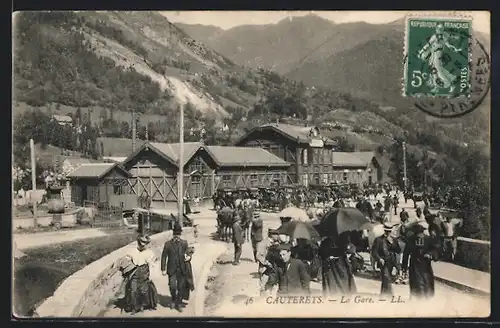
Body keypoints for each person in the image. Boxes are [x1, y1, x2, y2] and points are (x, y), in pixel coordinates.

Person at [120, 235, 158, 314]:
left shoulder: (149, 252)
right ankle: (134, 307)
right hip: (135, 272)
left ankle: (142, 305)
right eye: (141, 244)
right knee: (133, 290)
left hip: (144, 272)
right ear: (138, 243)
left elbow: (152, 265)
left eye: (144, 244)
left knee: (143, 290)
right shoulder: (132, 251)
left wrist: (151, 275)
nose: (142, 246)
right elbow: (126, 260)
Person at [161, 224, 195, 312]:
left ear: (180, 234)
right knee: (172, 286)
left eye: (178, 233)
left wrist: (189, 257)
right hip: (171, 269)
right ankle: (173, 299)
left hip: (182, 268)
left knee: (181, 287)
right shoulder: (168, 244)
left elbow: (188, 254)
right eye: (175, 233)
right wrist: (163, 269)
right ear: (173, 233)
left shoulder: (184, 243)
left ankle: (179, 303)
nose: (177, 235)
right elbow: (164, 256)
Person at [402, 223, 440, 299]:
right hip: (414, 265)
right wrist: (404, 268)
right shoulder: (411, 239)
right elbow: (406, 254)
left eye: (420, 232)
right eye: (417, 232)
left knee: (427, 282)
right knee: (417, 283)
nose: (419, 235)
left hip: (425, 265)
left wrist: (430, 254)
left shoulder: (428, 239)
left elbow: (435, 250)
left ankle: (426, 299)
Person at [371, 222, 401, 296]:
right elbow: (374, 252)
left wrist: (392, 243)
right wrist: (379, 259)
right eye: (387, 231)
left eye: (389, 231)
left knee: (387, 278)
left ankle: (383, 293)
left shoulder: (393, 240)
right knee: (386, 276)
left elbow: (398, 250)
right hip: (383, 262)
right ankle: (389, 295)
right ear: (384, 231)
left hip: (391, 262)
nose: (388, 233)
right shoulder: (378, 240)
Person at [256, 229, 281, 295]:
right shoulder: (263, 243)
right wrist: (267, 263)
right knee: (264, 288)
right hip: (265, 269)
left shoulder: (277, 243)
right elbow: (258, 256)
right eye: (276, 234)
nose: (278, 236)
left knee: (274, 288)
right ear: (271, 235)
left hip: (275, 270)